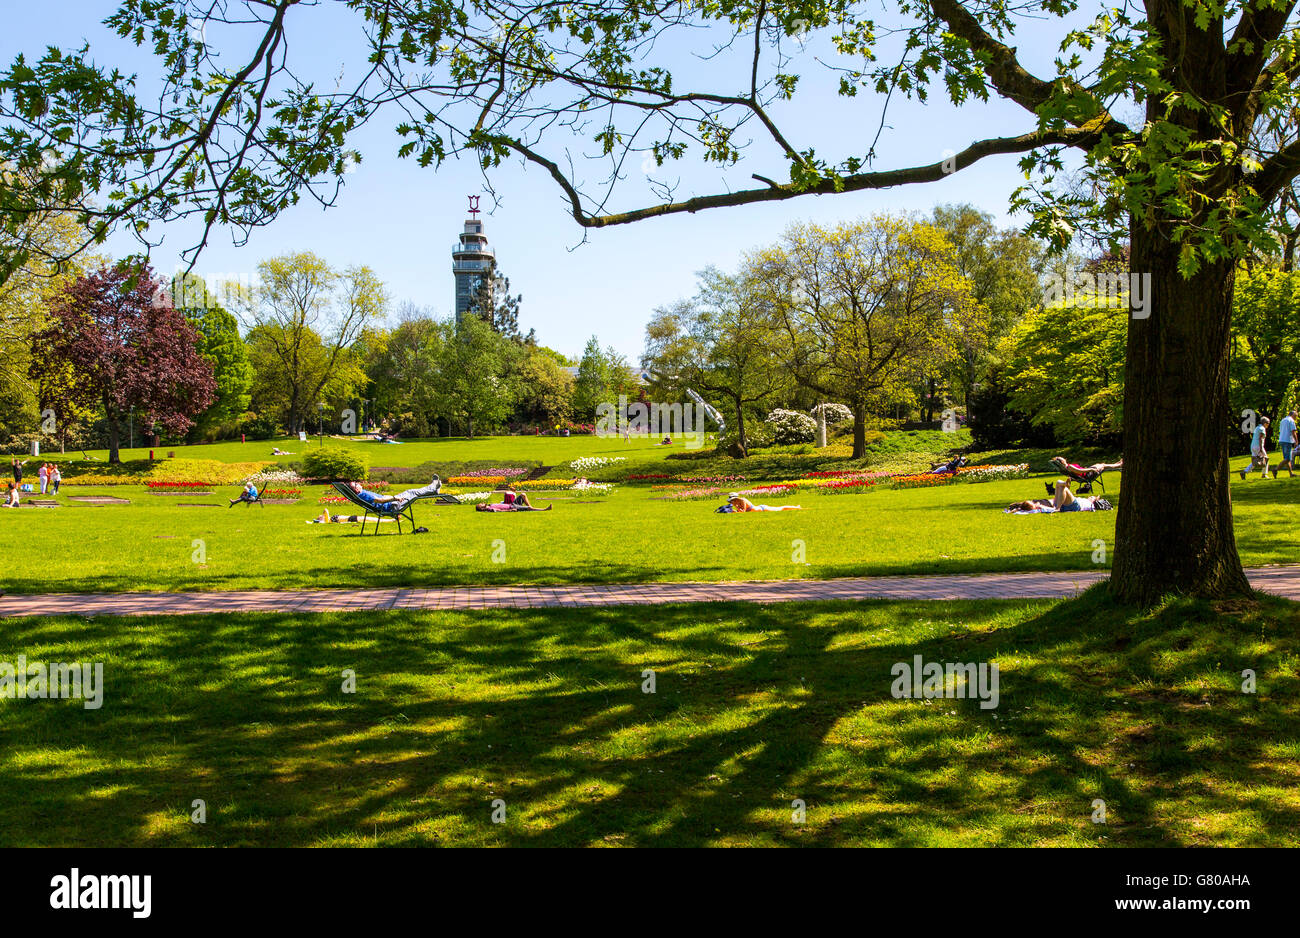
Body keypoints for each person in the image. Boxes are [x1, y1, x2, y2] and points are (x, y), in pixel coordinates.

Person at [347, 476, 441, 510]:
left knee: (412, 492)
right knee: (413, 492)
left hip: (391, 503)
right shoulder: (364, 495)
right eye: (356, 484)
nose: (358, 483)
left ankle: (434, 489)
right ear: (356, 490)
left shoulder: (362, 494)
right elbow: (380, 500)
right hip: (393, 506)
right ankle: (433, 487)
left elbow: (382, 497)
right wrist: (395, 498)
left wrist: (393, 497)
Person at [476, 485, 552, 511]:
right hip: (512, 507)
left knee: (523, 494)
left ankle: (530, 506)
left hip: (512, 504)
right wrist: (510, 511)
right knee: (528, 508)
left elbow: (500, 506)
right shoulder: (490, 509)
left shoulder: (490, 505)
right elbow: (499, 510)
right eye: (481, 504)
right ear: (482, 508)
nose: (482, 503)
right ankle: (545, 509)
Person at [722, 493, 804, 512]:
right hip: (759, 508)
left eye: (732, 500)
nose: (732, 502)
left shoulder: (742, 500)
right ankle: (796, 507)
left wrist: (736, 508)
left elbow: (743, 512)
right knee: (780, 508)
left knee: (780, 508)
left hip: (762, 508)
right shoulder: (737, 502)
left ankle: (797, 507)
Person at [1276, 409, 1298, 478]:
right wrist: (1296, 441)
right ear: (1293, 415)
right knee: (1288, 458)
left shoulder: (1283, 420)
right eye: (1296, 416)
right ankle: (1275, 469)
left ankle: (1291, 473)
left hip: (1282, 440)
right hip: (1287, 440)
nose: (1296, 418)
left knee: (1286, 458)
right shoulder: (1291, 421)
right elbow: (1293, 432)